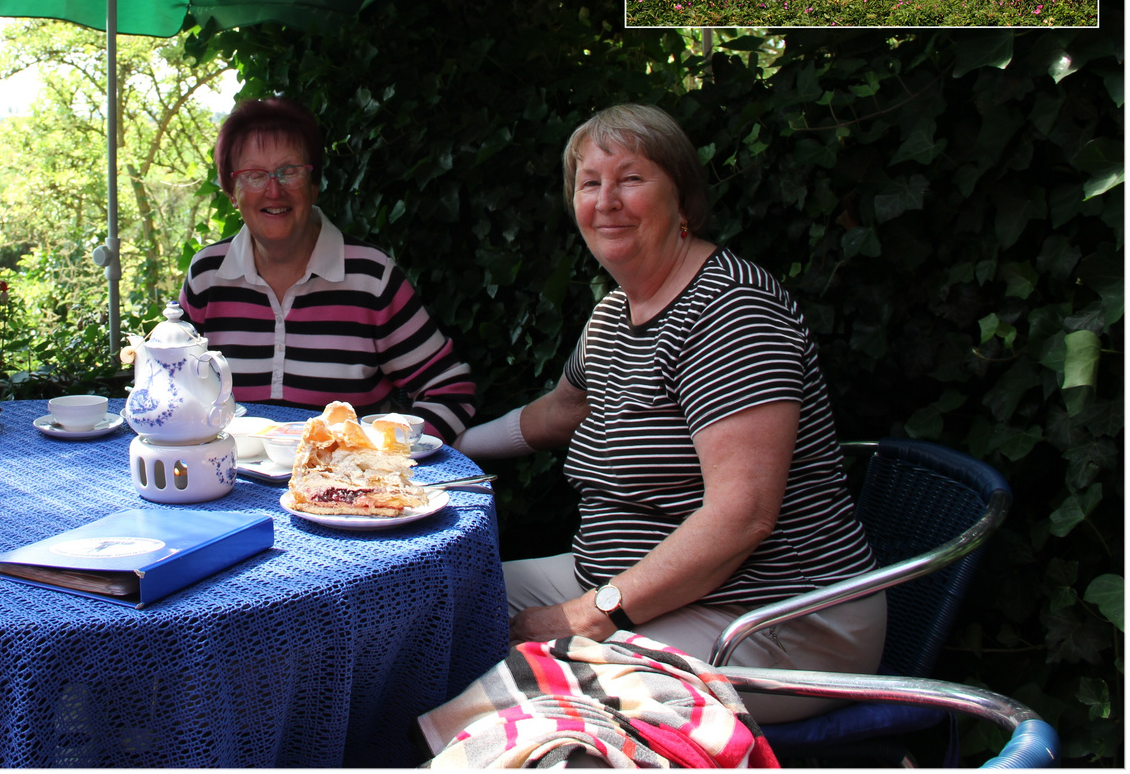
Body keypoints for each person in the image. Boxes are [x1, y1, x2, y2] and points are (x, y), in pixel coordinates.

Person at [454, 103, 884, 723]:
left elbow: (741, 517)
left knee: (521, 702)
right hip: (621, 581)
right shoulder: (614, 314)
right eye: (590, 183)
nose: (607, 201)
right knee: (436, 608)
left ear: (682, 198)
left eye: (631, 178)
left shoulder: (731, 311)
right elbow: (558, 412)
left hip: (772, 616)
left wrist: (580, 618)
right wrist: (446, 444)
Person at [179, 97, 476, 443]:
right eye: (255, 175)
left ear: (314, 184)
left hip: (343, 491)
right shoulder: (207, 276)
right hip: (226, 487)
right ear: (232, 193)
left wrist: (382, 454)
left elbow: (450, 390)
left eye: (289, 171)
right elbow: (173, 390)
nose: (274, 190)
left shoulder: (371, 278)